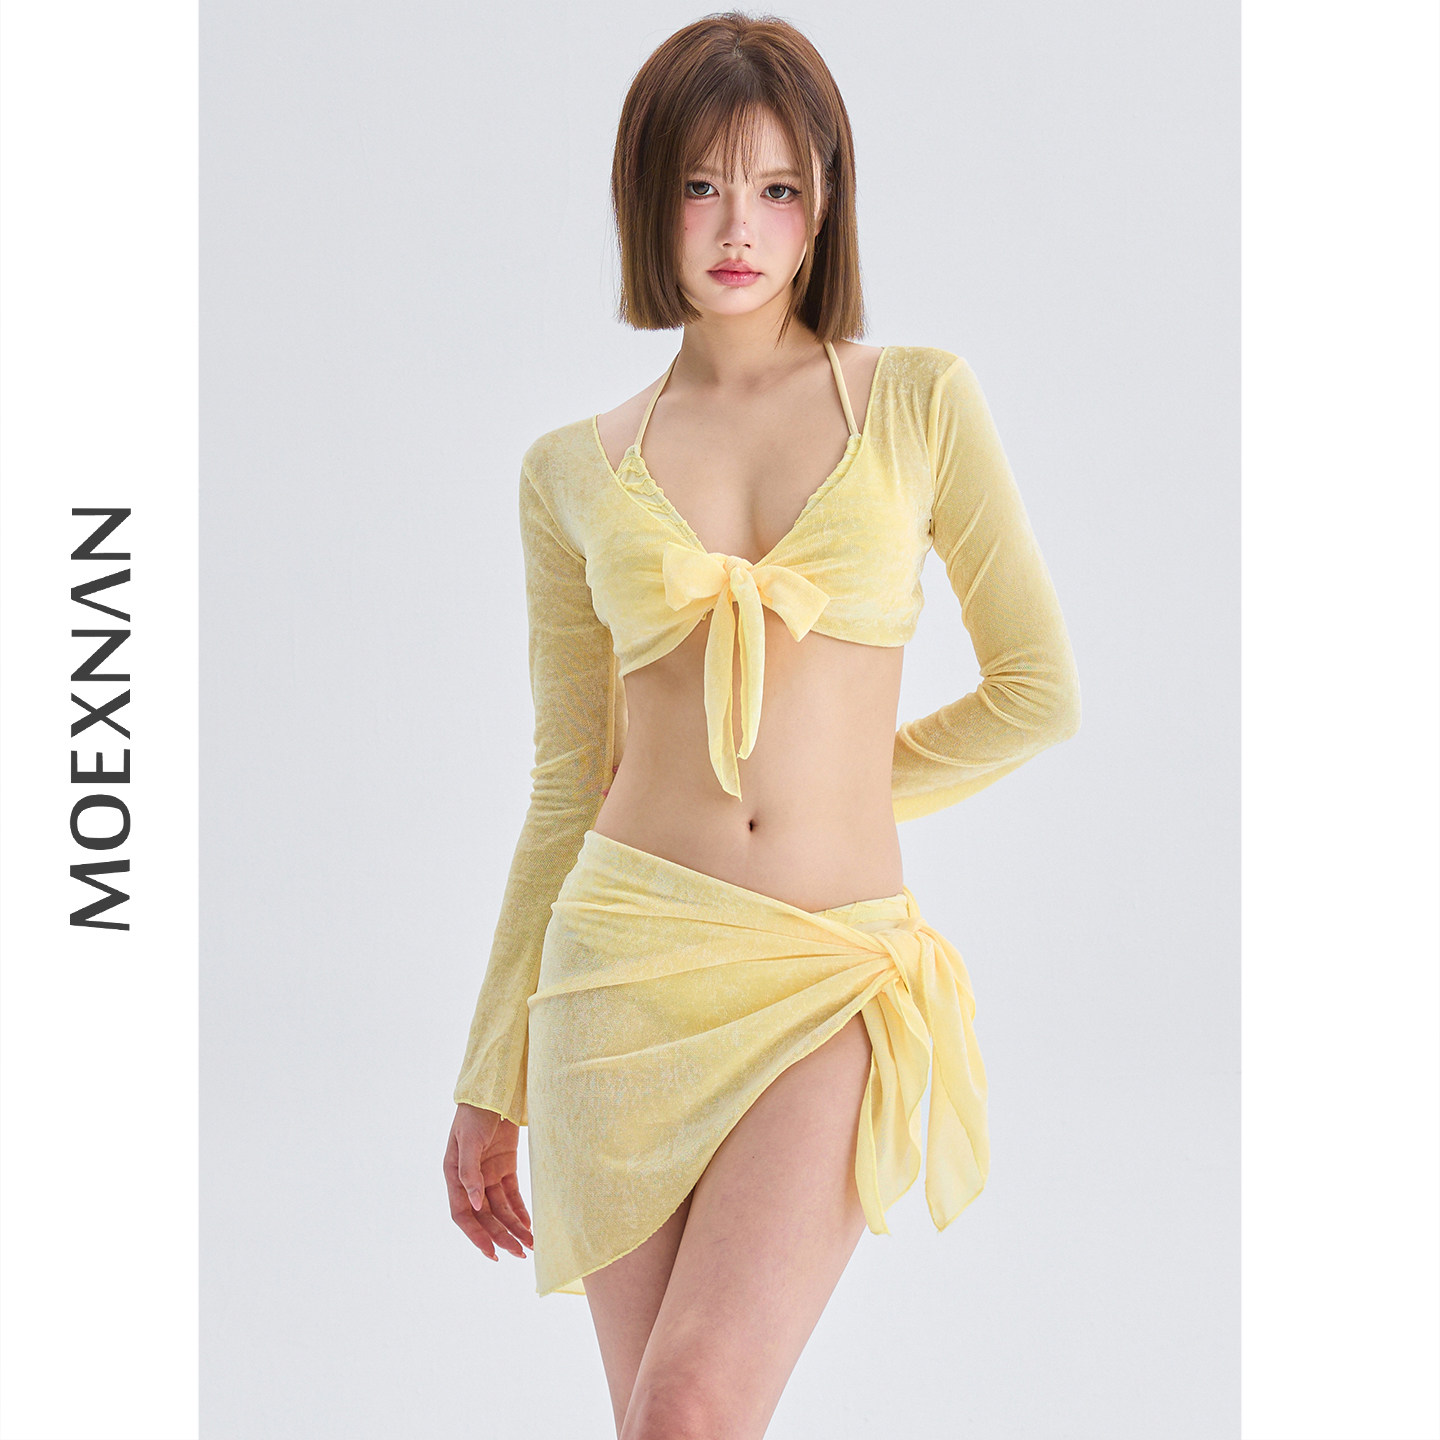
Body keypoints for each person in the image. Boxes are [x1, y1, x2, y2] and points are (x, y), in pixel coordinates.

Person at [442, 12, 1081, 1439]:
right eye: (701, 185)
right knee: (661, 1426)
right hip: (619, 974)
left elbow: (1038, 690)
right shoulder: (568, 472)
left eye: (778, 187)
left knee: (692, 1406)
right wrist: (492, 1074)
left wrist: (847, 790)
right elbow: (569, 780)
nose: (740, 226)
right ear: (645, 196)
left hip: (827, 969)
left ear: (825, 202)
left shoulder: (918, 401)